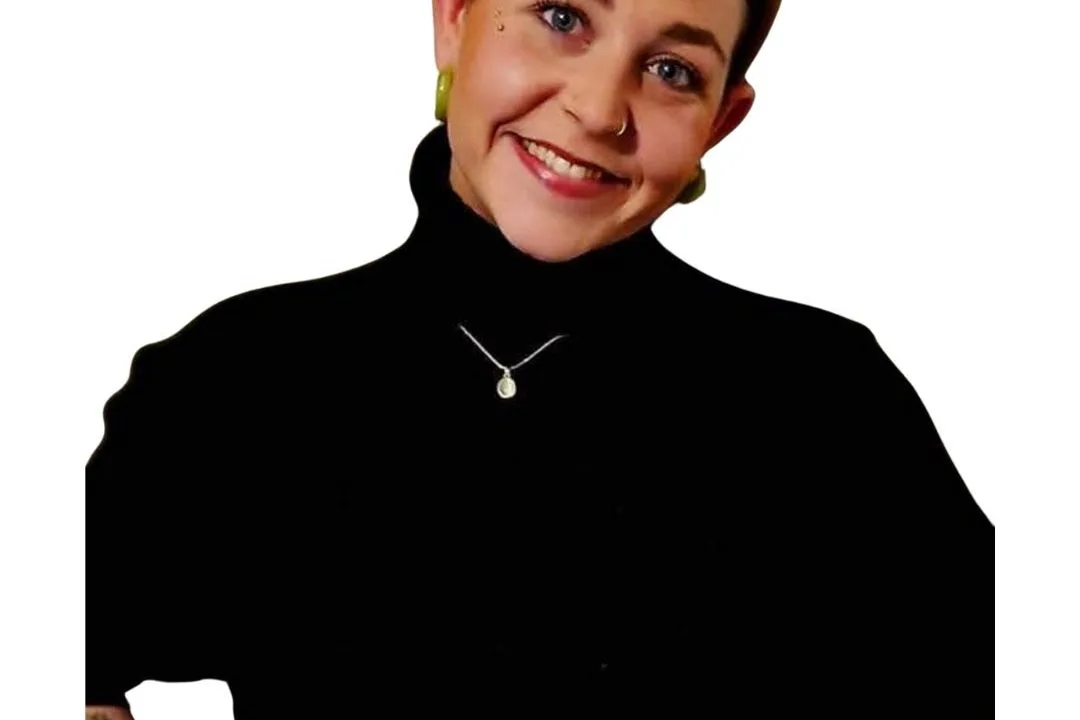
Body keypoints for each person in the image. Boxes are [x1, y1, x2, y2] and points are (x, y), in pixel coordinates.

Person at [86, 0, 992, 717]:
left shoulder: (827, 402)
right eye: (562, 16)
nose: (598, 110)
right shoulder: (235, 379)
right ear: (455, 17)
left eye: (672, 70)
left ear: (721, 121)